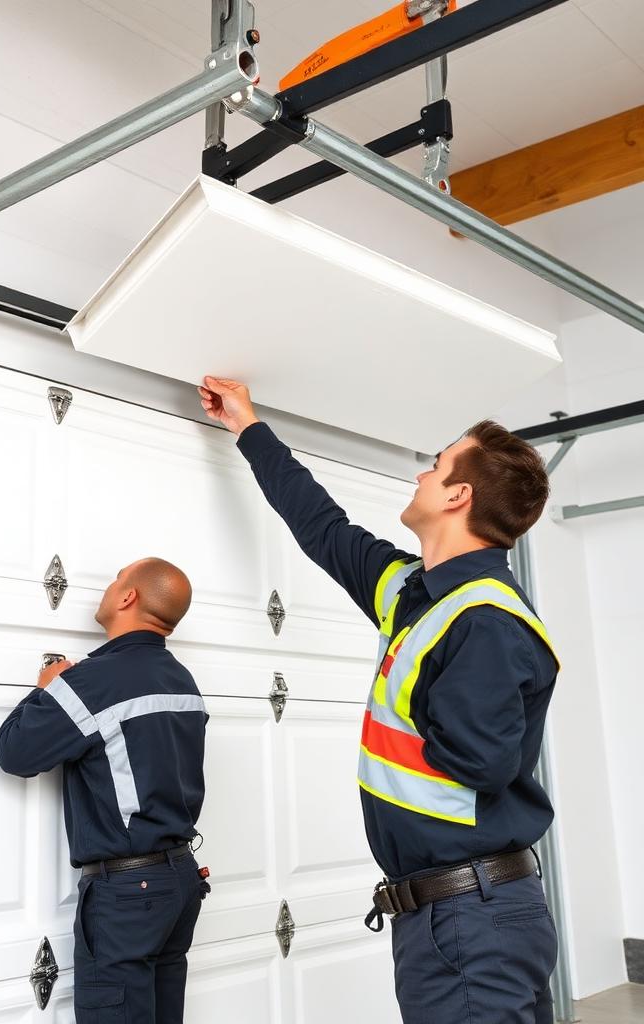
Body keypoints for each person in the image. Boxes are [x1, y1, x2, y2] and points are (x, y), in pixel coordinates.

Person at [198, 377, 560, 1024]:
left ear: (458, 494)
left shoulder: (485, 620)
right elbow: (322, 527)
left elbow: (484, 763)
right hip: (446, 914)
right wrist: (248, 426)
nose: (423, 473)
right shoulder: (416, 595)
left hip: (474, 918)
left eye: (438, 463)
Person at [0, 557, 209, 1024]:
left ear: (128, 597)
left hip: (131, 893)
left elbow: (14, 753)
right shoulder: (182, 680)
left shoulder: (95, 681)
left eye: (116, 580)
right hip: (179, 881)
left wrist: (47, 689)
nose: (109, 587)